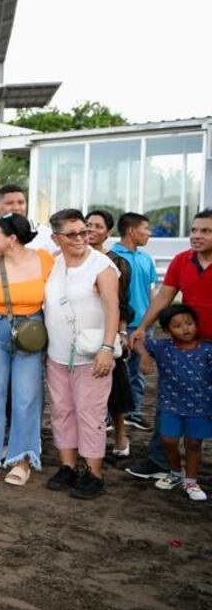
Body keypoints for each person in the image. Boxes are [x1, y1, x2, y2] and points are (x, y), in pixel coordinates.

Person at [126, 209, 212, 480]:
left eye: (206, 231)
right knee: (171, 399)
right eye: (195, 230)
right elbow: (163, 298)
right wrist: (142, 327)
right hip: (187, 346)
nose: (197, 236)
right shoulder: (180, 261)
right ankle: (159, 461)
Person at [42, 209, 119, 499]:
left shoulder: (102, 265)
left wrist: (107, 349)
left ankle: (94, 472)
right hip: (57, 354)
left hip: (92, 355)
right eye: (72, 234)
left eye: (84, 232)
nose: (80, 239)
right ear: (56, 237)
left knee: (91, 414)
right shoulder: (53, 263)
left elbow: (112, 308)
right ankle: (68, 466)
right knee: (62, 411)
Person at [0, 214, 53, 485]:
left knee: (27, 395)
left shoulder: (43, 260)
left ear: (12, 239)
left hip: (31, 332)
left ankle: (22, 457)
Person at [135, 305, 211, 501]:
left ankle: (191, 481)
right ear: (168, 331)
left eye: (189, 323)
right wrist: (144, 356)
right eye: (177, 325)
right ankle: (176, 473)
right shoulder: (163, 347)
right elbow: (135, 340)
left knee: (194, 443)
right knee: (168, 440)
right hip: (170, 405)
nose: (185, 329)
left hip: (200, 407)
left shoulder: (207, 349)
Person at [86, 209, 134, 458]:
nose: (91, 230)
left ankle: (119, 434)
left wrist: (122, 333)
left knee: (116, 388)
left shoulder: (118, 263)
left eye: (97, 226)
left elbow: (122, 302)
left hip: (109, 331)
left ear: (108, 232)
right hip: (79, 331)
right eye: (88, 224)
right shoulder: (73, 257)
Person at [111, 212, 156, 432]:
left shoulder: (146, 258)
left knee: (138, 373)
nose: (149, 233)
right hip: (121, 324)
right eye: (146, 228)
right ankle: (112, 415)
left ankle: (134, 413)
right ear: (131, 230)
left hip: (144, 325)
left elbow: (150, 292)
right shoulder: (112, 257)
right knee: (117, 373)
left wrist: (151, 321)